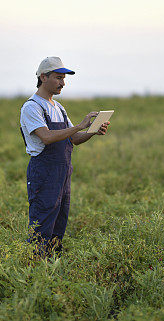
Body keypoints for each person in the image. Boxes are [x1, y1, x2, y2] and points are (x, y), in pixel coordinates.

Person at [19, 56, 109, 258]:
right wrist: (79, 125)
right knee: (41, 226)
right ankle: (33, 271)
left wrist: (92, 131)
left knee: (58, 226)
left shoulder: (58, 107)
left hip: (62, 174)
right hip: (43, 173)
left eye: (64, 78)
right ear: (43, 77)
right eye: (59, 77)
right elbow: (47, 137)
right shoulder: (32, 107)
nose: (63, 83)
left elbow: (74, 139)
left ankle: (52, 271)